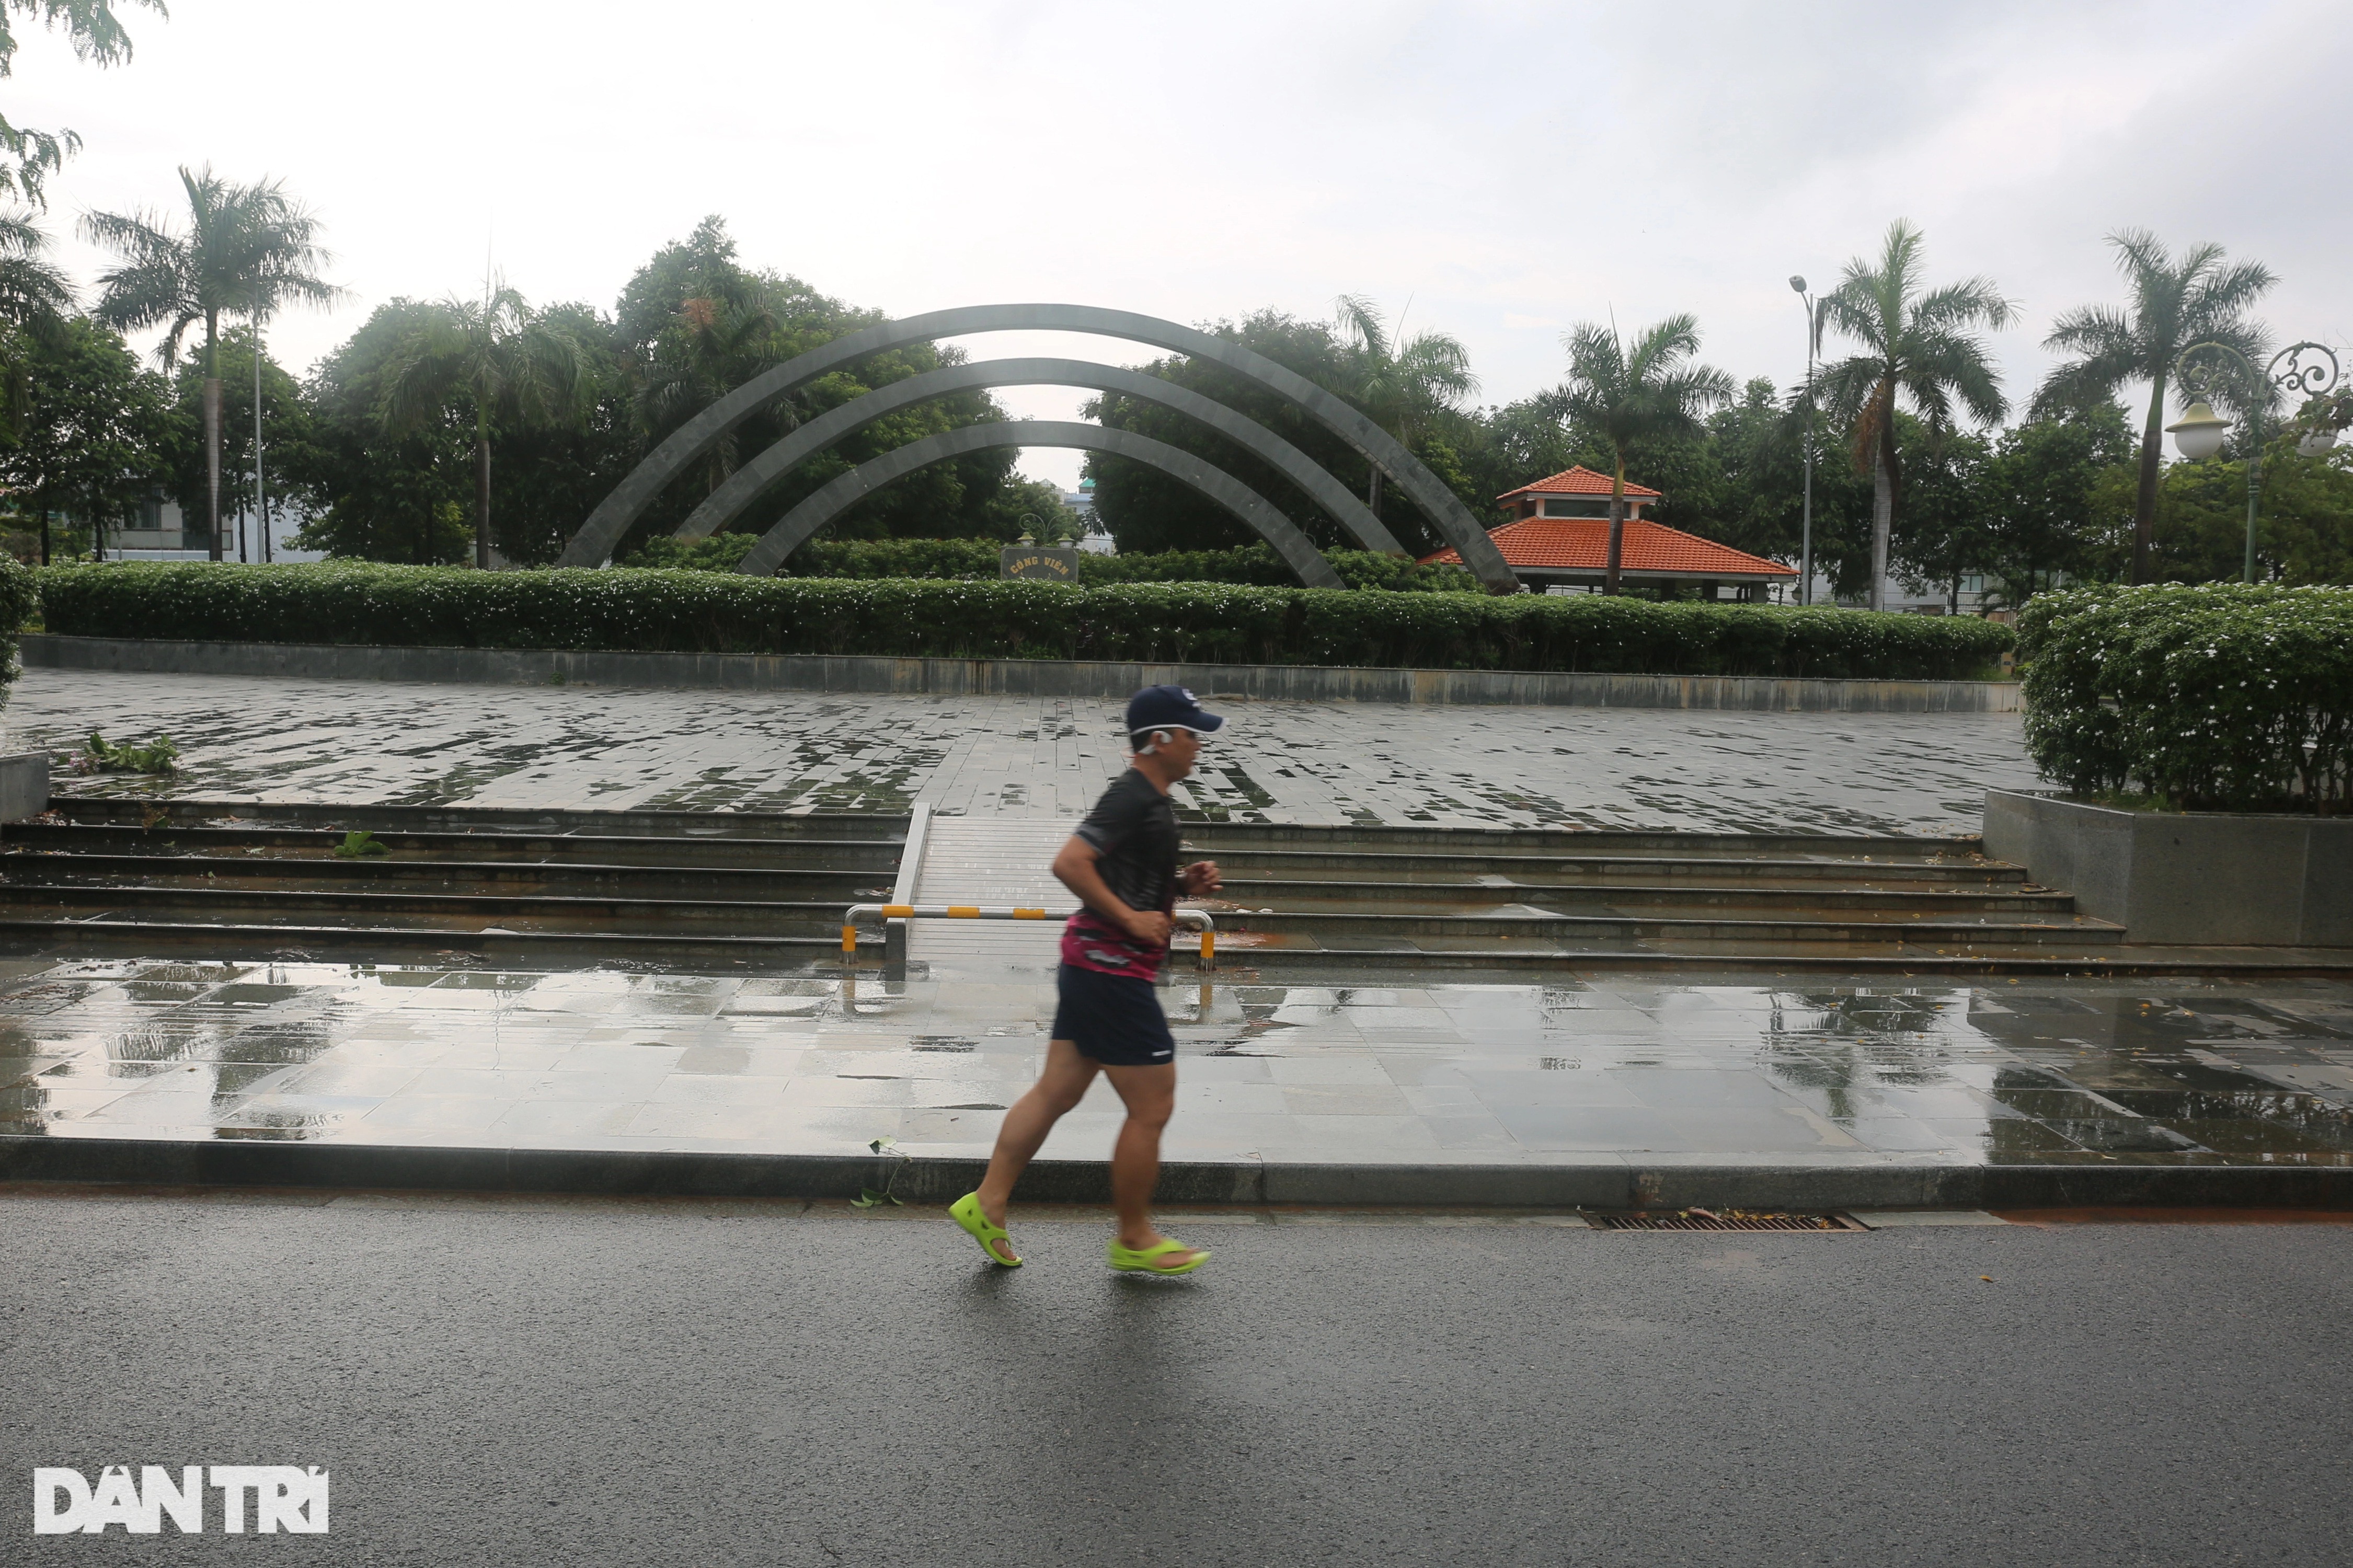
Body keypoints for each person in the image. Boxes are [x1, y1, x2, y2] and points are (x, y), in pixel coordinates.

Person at [950, 685, 1226, 1274]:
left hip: (1092, 964)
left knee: (1058, 1092)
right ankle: (1134, 1236)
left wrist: (1179, 888)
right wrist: (1129, 918)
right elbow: (1069, 863)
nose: (1198, 745)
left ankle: (987, 1203)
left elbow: (1120, 874)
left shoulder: (1149, 799)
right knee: (1153, 1106)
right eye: (1190, 733)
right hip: (1112, 971)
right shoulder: (1131, 796)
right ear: (1159, 740)